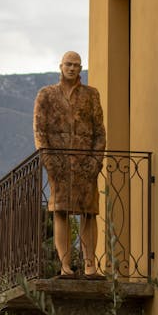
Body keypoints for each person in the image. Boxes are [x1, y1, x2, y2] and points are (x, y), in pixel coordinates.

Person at [33, 51, 106, 278]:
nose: (72, 68)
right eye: (68, 64)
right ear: (60, 66)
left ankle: (89, 264)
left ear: (80, 68)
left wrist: (95, 162)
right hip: (59, 166)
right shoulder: (46, 95)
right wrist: (50, 162)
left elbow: (99, 133)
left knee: (89, 212)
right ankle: (65, 265)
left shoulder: (91, 95)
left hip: (86, 166)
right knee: (60, 211)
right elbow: (40, 131)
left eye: (76, 65)